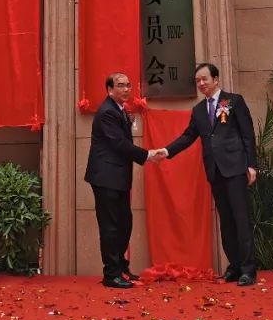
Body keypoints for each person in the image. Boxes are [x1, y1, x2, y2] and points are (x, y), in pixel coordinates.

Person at [158, 63, 258, 286]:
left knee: (241, 219)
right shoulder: (198, 111)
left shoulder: (233, 101)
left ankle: (249, 270)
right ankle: (234, 266)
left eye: (205, 79)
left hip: (235, 167)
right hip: (214, 170)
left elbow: (248, 135)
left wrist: (251, 165)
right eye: (197, 81)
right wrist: (166, 151)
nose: (201, 84)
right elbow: (187, 137)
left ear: (216, 79)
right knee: (226, 221)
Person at [84, 72, 162, 288]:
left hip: (117, 177)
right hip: (106, 177)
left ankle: (121, 267)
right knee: (110, 227)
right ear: (109, 90)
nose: (126, 89)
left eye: (128, 85)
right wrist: (147, 155)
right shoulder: (107, 112)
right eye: (120, 85)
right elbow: (119, 144)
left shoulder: (119, 110)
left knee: (124, 223)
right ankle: (111, 274)